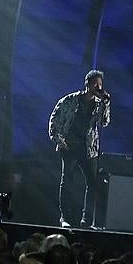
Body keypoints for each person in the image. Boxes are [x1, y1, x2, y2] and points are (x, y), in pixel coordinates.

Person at [48, 69, 111, 228]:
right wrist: (59, 140)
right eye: (95, 84)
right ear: (87, 84)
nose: (99, 87)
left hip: (89, 149)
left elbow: (104, 122)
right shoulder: (70, 100)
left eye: (100, 84)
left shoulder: (99, 104)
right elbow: (54, 119)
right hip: (69, 146)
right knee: (67, 181)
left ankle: (86, 220)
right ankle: (65, 218)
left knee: (93, 183)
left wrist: (106, 103)